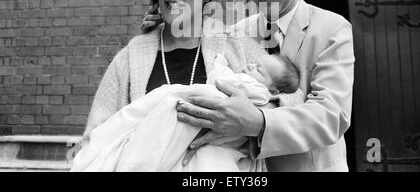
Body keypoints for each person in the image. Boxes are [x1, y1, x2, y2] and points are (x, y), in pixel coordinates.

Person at [78, 0, 272, 169]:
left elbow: (283, 102)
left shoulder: (235, 45)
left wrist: (251, 120)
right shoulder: (131, 57)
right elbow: (94, 139)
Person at [170, 0, 355, 172]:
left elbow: (332, 117)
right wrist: (170, 25)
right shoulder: (236, 32)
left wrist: (257, 122)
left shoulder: (332, 28)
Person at [71, 53, 302, 171]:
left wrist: (252, 120)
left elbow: (291, 98)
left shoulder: (236, 38)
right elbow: (99, 127)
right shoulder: (130, 54)